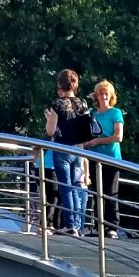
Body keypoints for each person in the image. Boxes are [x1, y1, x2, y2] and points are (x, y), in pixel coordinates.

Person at [44, 69, 89, 236]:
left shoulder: (57, 104)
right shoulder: (82, 103)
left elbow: (50, 131)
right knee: (76, 186)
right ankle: (77, 224)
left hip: (62, 148)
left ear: (60, 83)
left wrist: (49, 119)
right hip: (78, 149)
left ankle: (70, 225)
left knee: (66, 187)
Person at [82, 79, 124, 236]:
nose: (103, 96)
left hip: (111, 158)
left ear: (111, 96)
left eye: (106, 94)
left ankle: (112, 226)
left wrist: (97, 141)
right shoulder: (92, 114)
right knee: (97, 192)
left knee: (110, 192)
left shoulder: (116, 112)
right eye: (100, 94)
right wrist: (86, 143)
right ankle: (98, 225)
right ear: (96, 96)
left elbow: (118, 136)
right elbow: (86, 133)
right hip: (94, 157)